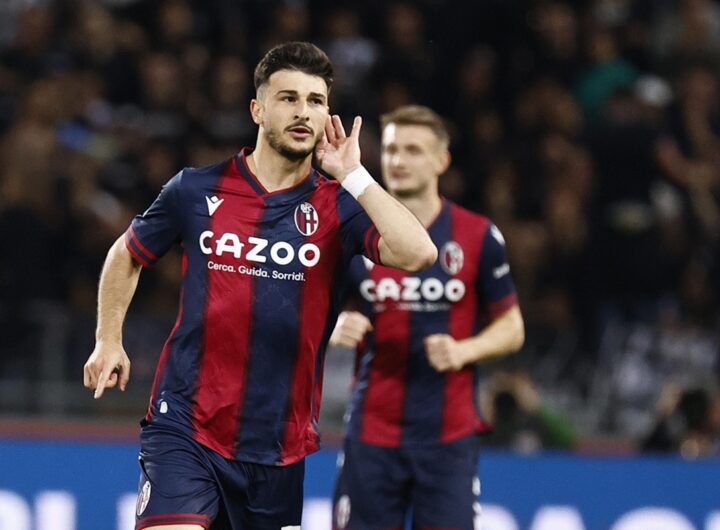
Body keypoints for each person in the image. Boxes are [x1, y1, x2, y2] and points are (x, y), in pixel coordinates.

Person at [82, 42, 436, 530]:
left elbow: (419, 253)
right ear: (258, 110)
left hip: (276, 449)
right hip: (186, 426)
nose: (303, 112)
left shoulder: (339, 207)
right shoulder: (195, 189)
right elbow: (127, 254)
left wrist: (354, 175)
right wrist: (108, 338)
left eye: (315, 101)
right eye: (288, 98)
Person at [329, 105, 525, 530]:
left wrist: (464, 350)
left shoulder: (477, 236)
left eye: (413, 150)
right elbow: (309, 306)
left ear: (442, 160)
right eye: (392, 149)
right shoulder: (355, 231)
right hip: (371, 430)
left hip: (447, 436)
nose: (398, 160)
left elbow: (512, 328)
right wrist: (334, 327)